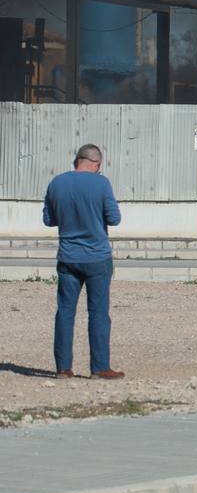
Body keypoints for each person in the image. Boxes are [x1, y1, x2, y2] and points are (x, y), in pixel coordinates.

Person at [42, 144, 124, 380]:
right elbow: (114, 218)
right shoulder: (102, 183)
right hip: (97, 257)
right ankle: (99, 368)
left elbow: (49, 219)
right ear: (97, 164)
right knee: (98, 312)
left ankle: (63, 369)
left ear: (77, 160)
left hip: (67, 257)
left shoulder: (56, 183)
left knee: (65, 312)